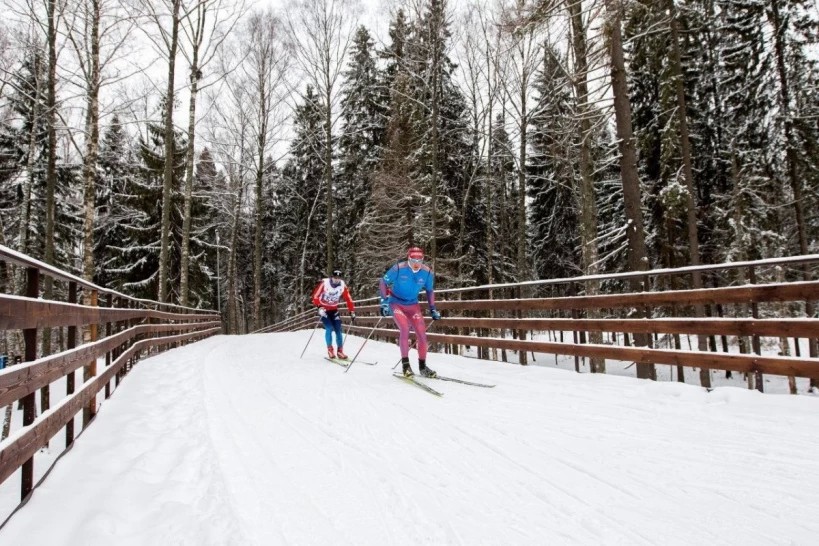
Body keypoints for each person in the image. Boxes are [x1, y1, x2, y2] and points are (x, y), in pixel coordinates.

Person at [379, 246, 441, 377]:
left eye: (420, 261)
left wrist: (433, 309)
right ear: (408, 259)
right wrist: (384, 302)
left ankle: (423, 367)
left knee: (422, 334)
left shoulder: (427, 272)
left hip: (413, 305)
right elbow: (383, 282)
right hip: (396, 303)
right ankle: (406, 366)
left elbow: (430, 291)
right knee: (405, 329)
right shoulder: (398, 268)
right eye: (413, 261)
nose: (417, 264)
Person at [311, 269, 356, 359]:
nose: (337, 280)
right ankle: (330, 350)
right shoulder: (324, 283)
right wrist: (319, 307)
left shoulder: (342, 285)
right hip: (324, 309)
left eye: (338, 278)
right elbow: (315, 296)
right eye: (335, 278)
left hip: (334, 309)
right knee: (329, 328)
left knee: (338, 330)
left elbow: (348, 298)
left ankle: (340, 351)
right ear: (332, 277)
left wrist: (352, 311)